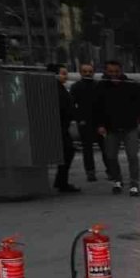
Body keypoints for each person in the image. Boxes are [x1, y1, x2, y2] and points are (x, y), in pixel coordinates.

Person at [93, 60, 140, 197]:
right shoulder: (101, 87)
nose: (114, 74)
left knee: (132, 156)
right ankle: (117, 181)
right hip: (110, 128)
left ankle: (134, 184)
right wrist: (100, 125)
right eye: (111, 71)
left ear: (121, 71)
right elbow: (96, 108)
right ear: (106, 72)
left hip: (130, 127)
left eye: (116, 71)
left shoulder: (131, 85)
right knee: (111, 156)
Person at [51, 65, 81, 193]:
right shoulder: (55, 89)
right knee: (67, 152)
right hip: (59, 127)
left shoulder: (59, 88)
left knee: (67, 152)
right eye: (63, 73)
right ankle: (61, 182)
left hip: (62, 126)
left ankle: (61, 181)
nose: (66, 76)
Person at [70, 62, 102, 181]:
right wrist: (79, 119)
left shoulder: (98, 85)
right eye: (85, 71)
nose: (88, 74)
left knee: (105, 147)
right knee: (87, 149)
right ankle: (90, 172)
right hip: (85, 122)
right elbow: (72, 106)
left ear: (93, 72)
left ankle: (110, 170)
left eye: (90, 71)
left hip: (99, 121)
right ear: (80, 73)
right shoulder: (76, 87)